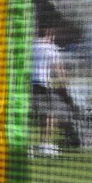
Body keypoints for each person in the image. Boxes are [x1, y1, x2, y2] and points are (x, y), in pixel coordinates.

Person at [31, 29, 66, 157]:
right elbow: (58, 68)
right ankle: (45, 144)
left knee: (30, 115)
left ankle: (28, 146)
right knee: (51, 114)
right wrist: (64, 84)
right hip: (43, 84)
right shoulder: (51, 48)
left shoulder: (31, 46)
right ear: (49, 35)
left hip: (30, 84)